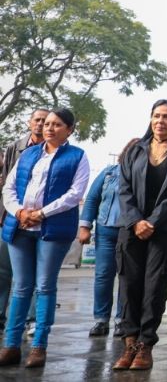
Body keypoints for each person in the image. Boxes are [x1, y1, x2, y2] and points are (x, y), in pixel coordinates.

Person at [0, 108, 88, 368]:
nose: (49, 128)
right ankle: (11, 345)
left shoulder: (77, 156)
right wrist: (20, 211)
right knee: (21, 287)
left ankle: (39, 345)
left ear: (70, 129)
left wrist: (41, 213)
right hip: (20, 227)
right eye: (47, 123)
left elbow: (75, 194)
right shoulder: (27, 154)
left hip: (53, 229)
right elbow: (9, 186)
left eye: (57, 124)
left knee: (45, 286)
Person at [112, 99, 167, 371]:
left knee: (154, 289)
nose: (161, 121)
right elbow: (123, 188)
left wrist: (152, 222)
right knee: (129, 287)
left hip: (165, 231)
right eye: (156, 116)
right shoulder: (135, 151)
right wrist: (136, 220)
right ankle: (129, 344)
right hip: (131, 229)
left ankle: (145, 346)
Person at [77, 138, 140, 338]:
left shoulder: (143, 176)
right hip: (105, 230)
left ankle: (122, 319)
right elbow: (92, 200)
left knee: (126, 278)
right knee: (103, 275)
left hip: (130, 232)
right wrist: (85, 226)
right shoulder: (109, 172)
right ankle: (100, 320)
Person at [0, 108, 48, 334]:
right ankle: (1, 317)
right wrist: (15, 213)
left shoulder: (55, 152)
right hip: (10, 218)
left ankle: (31, 320)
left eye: (45, 121)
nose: (40, 124)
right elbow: (6, 185)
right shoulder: (14, 148)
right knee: (4, 271)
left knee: (36, 275)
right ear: (30, 123)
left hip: (40, 221)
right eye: (37, 120)